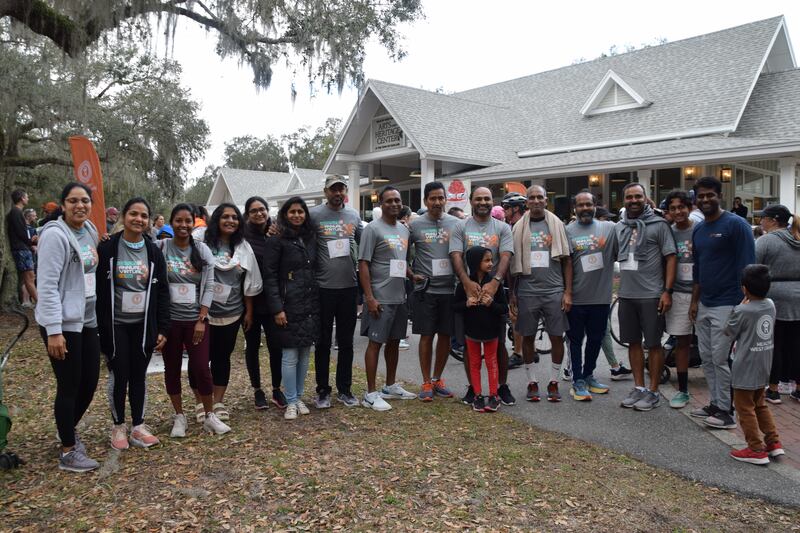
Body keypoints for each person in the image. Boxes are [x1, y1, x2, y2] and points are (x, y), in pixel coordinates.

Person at [35, 182, 101, 472]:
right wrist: (54, 330)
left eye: (85, 200)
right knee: (70, 385)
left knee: (90, 381)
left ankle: (66, 429)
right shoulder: (54, 235)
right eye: (73, 201)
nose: (80, 206)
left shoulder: (89, 231)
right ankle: (68, 451)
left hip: (88, 318)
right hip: (63, 322)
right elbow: (47, 286)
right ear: (63, 205)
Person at [96, 197, 170, 450]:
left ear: (148, 221)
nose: (138, 219)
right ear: (123, 217)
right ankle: (118, 425)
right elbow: (98, 288)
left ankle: (138, 425)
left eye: (144, 216)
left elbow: (162, 292)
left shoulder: (153, 251)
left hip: (143, 324)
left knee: (139, 375)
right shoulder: (108, 248)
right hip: (115, 324)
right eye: (133, 214)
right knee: (119, 374)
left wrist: (163, 327)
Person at [158, 204, 229, 436]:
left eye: (188, 221)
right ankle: (179, 416)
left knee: (201, 368)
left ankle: (209, 416)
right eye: (178, 220)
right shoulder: (161, 247)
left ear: (193, 223)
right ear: (171, 222)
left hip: (195, 320)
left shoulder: (201, 249)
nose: (183, 225)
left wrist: (202, 318)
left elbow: (209, 285)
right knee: (172, 368)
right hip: (170, 322)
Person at [690, 176, 755, 429]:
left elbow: (748, 266)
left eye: (710, 195)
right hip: (705, 303)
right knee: (706, 357)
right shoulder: (699, 229)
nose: (705, 199)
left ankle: (727, 412)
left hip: (728, 303)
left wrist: (744, 302)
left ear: (720, 196)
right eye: (701, 196)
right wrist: (694, 301)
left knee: (720, 358)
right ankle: (715, 403)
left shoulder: (736, 225)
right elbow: (698, 268)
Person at [450, 187, 515, 406]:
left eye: (487, 199)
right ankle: (474, 388)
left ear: (492, 201)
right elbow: (456, 255)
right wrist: (466, 282)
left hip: (493, 291)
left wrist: (495, 282)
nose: (483, 202)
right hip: (468, 291)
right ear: (471, 201)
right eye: (478, 199)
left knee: (499, 344)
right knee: (470, 345)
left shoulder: (502, 227)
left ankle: (501, 387)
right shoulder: (460, 227)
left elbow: (505, 256)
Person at [616, 183, 677, 412]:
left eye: (638, 196)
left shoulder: (659, 225)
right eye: (629, 197)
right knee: (632, 342)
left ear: (645, 198)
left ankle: (653, 391)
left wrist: (667, 291)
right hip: (626, 294)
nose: (634, 200)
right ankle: (639, 387)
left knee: (653, 344)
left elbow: (671, 257)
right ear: (624, 200)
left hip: (652, 294)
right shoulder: (620, 227)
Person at [510, 185, 572, 402]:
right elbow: (511, 262)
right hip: (527, 291)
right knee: (527, 337)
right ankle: (532, 382)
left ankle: (554, 381)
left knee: (556, 337)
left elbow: (567, 260)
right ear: (526, 202)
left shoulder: (557, 225)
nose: (536, 201)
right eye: (532, 198)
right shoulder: (518, 227)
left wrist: (568, 292)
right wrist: (512, 294)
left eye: (540, 197)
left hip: (554, 290)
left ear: (546, 200)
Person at [201, 204, 262, 420]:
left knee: (222, 358)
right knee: (201, 361)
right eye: (225, 216)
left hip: (232, 313)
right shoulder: (203, 243)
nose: (230, 221)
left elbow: (249, 282)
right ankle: (201, 403)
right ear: (217, 219)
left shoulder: (243, 247)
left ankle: (218, 402)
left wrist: (249, 312)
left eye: (235, 217)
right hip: (204, 314)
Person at [359, 186, 416, 411]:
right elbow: (363, 264)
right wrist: (369, 298)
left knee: (394, 341)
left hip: (399, 296)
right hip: (380, 297)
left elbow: (399, 259)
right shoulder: (372, 229)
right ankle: (370, 394)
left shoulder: (404, 230)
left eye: (397, 200)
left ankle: (390, 386)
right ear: (381, 204)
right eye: (389, 200)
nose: (394, 204)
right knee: (375, 343)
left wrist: (412, 275)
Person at [264, 197, 320, 420]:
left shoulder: (310, 237)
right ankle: (290, 400)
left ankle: (299, 397)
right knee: (289, 355)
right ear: (285, 214)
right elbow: (269, 276)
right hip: (288, 305)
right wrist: (277, 308)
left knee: (305, 354)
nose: (297, 215)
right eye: (292, 211)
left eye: (301, 211)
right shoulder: (276, 239)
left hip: (309, 302)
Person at [309, 176, 362, 408]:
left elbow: (363, 242)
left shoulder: (353, 215)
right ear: (325, 192)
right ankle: (323, 390)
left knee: (346, 342)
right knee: (322, 342)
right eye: (333, 190)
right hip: (323, 288)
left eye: (341, 189)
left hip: (349, 287)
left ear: (345, 191)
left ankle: (345, 389)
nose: (337, 193)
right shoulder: (314, 215)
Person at [726, 264, 784, 464]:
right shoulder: (770, 304)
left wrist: (740, 306)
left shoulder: (742, 309)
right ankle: (773, 442)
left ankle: (755, 448)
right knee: (760, 404)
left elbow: (729, 331)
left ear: (744, 288)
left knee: (744, 408)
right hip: (763, 364)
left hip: (745, 365)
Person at [408, 181, 459, 401]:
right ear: (425, 201)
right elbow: (400, 252)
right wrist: (411, 274)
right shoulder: (415, 225)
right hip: (426, 290)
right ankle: (426, 381)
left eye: (441, 197)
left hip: (450, 290)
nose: (437, 202)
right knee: (426, 336)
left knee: (445, 336)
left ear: (445, 199)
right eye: (433, 198)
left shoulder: (457, 224)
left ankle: (438, 379)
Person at [565, 191, 618, 401]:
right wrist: (567, 293)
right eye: (580, 205)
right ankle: (577, 380)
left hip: (601, 298)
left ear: (595, 206)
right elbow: (566, 264)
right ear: (574, 208)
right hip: (576, 298)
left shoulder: (610, 228)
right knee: (575, 341)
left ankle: (588, 375)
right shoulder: (567, 231)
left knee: (596, 339)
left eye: (588, 204)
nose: (585, 208)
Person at [242, 196, 286, 409]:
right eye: (253, 211)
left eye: (262, 209)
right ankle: (257, 389)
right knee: (252, 346)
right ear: (248, 214)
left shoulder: (277, 230)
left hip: (273, 300)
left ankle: (277, 389)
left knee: (276, 346)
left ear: (268, 211)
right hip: (249, 300)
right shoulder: (242, 235)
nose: (259, 213)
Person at [454, 246, 508, 412]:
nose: (491, 263)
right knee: (475, 363)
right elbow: (455, 306)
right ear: (475, 262)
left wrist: (491, 304)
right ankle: (477, 395)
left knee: (492, 363)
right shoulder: (464, 285)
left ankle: (493, 396)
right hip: (472, 332)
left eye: (491, 260)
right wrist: (466, 303)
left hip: (492, 332)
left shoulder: (494, 285)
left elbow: (503, 308)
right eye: (487, 260)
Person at [756, 204, 800, 404]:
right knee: (796, 344)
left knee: (775, 345)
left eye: (763, 218)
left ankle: (773, 390)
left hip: (774, 298)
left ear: (773, 220)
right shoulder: (798, 238)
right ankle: (798, 389)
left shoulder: (766, 241)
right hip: (798, 297)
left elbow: (752, 267)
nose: (760, 222)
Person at [664, 190, 696, 409]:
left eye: (681, 207)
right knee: (682, 342)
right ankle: (683, 390)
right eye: (673, 208)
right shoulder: (669, 232)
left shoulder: (699, 229)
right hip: (679, 293)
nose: (678, 212)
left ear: (690, 208)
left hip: (703, 293)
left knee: (711, 345)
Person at [501, 192, 527, 369]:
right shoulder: (516, 226)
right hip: (519, 279)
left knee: (516, 316)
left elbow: (513, 260)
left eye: (506, 208)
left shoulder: (517, 228)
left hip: (519, 280)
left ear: (516, 208)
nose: (504, 211)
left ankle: (518, 353)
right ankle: (529, 350)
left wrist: (512, 292)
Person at [7, 189, 38, 304]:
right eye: (27, 197)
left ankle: (38, 302)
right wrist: (30, 241)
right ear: (22, 198)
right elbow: (20, 232)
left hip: (24, 248)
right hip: (21, 249)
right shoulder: (16, 212)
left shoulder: (17, 212)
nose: (28, 199)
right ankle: (40, 303)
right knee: (29, 278)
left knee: (30, 277)